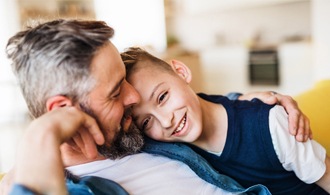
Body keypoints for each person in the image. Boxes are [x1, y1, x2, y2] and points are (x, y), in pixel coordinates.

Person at [0, 18, 312, 194]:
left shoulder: (129, 136)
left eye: (125, 80)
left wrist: (251, 106)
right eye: (114, 92)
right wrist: (38, 137)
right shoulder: (80, 188)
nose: (132, 97)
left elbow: (186, 107)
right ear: (61, 110)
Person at [121, 47, 330, 194]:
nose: (166, 121)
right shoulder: (172, 153)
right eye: (146, 122)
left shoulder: (269, 122)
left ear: (182, 72)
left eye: (162, 97)